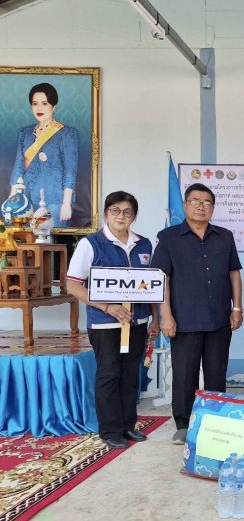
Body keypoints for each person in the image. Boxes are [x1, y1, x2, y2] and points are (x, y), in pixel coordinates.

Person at [151, 183, 243, 445]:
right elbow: (162, 278)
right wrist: (166, 315)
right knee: (185, 374)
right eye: (195, 201)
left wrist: (237, 307)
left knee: (216, 371)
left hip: (219, 318)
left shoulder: (224, 236)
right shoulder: (168, 237)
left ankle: (215, 419)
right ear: (185, 205)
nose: (201, 206)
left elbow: (234, 273)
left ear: (213, 207)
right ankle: (183, 423)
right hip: (184, 319)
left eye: (206, 202)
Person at [66, 191, 158, 449]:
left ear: (134, 216)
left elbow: (150, 285)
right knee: (109, 373)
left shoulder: (144, 244)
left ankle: (128, 425)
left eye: (127, 212)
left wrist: (155, 318)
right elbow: (73, 285)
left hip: (137, 323)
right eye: (116, 210)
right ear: (106, 213)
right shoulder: (91, 244)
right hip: (105, 324)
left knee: (131, 374)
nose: (121, 216)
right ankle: (110, 430)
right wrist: (108, 307)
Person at [8, 83, 79, 228]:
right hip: (27, 201)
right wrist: (12, 198)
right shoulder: (25, 134)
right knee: (28, 245)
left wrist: (66, 203)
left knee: (49, 244)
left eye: (44, 103)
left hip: (55, 200)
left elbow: (70, 170)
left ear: (53, 106)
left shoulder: (66, 133)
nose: (39, 108)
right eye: (35, 104)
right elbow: (19, 165)